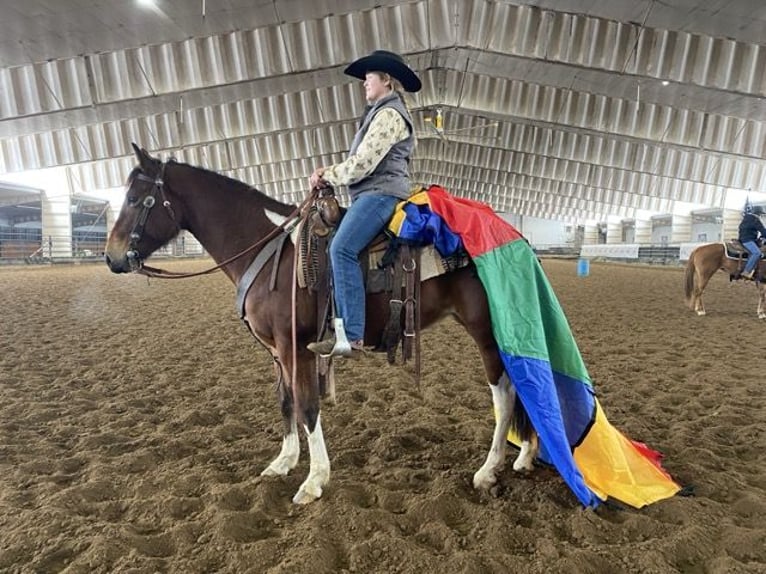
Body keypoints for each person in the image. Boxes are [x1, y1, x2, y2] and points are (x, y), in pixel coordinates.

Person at [307, 50, 422, 357]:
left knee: (341, 248)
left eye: (368, 77)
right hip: (373, 192)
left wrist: (327, 174)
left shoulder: (389, 115)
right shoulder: (379, 113)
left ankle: (353, 335)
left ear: (386, 80)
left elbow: (363, 164)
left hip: (381, 193)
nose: (364, 84)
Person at [738, 204, 766, 280]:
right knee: (757, 252)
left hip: (743, 238)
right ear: (758, 213)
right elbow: (763, 231)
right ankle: (746, 271)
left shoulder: (746, 218)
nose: (761, 216)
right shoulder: (755, 220)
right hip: (748, 240)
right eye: (761, 214)